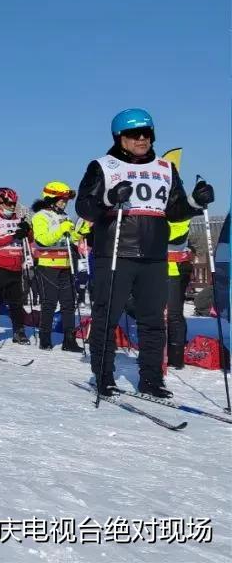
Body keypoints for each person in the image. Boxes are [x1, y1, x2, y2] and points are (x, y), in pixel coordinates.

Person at [76, 108, 211, 397]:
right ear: (119, 137)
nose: (141, 138)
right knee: (106, 316)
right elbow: (84, 206)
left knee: (152, 320)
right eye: (133, 134)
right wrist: (109, 198)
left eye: (146, 133)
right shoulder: (104, 166)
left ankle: (151, 379)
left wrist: (195, 202)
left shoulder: (164, 168)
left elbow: (174, 211)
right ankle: (103, 376)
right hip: (115, 251)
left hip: (153, 254)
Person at [30, 181, 85, 351]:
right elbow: (43, 239)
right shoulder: (40, 216)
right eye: (61, 199)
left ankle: (69, 340)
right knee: (49, 303)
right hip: (48, 265)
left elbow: (70, 239)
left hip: (66, 264)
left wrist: (80, 233)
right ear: (51, 199)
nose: (64, 202)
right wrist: (61, 228)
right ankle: (44, 338)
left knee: (69, 303)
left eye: (66, 199)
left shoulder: (64, 216)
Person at [0, 187, 31, 346]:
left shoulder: (17, 218)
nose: (12, 207)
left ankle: (19, 330)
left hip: (16, 264)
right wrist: (12, 236)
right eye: (9, 204)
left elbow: (30, 240)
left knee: (17, 301)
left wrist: (27, 231)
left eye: (14, 204)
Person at [166, 220, 193, 369]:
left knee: (173, 313)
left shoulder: (181, 211)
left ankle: (175, 356)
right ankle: (158, 350)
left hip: (177, 266)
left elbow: (176, 235)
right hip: (159, 265)